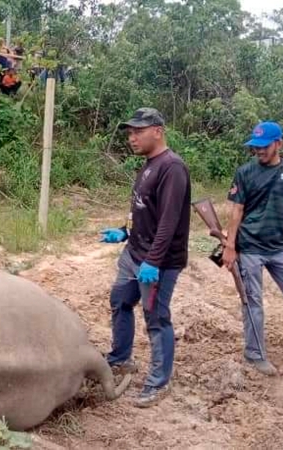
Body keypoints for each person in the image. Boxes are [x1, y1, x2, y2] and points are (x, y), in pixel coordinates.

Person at [99, 107, 191, 408]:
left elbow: (168, 220)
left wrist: (153, 261)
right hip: (133, 253)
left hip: (157, 262)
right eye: (129, 132)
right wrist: (124, 232)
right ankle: (120, 357)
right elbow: (144, 209)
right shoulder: (149, 164)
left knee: (157, 318)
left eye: (138, 131)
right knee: (121, 301)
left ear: (158, 131)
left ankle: (159, 381)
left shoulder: (172, 167)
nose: (132, 137)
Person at [222, 121, 283, 376]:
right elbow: (236, 210)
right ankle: (254, 354)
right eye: (255, 147)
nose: (259, 151)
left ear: (279, 144)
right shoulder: (245, 172)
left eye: (264, 146)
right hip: (250, 246)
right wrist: (230, 246)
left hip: (279, 247)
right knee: (253, 301)